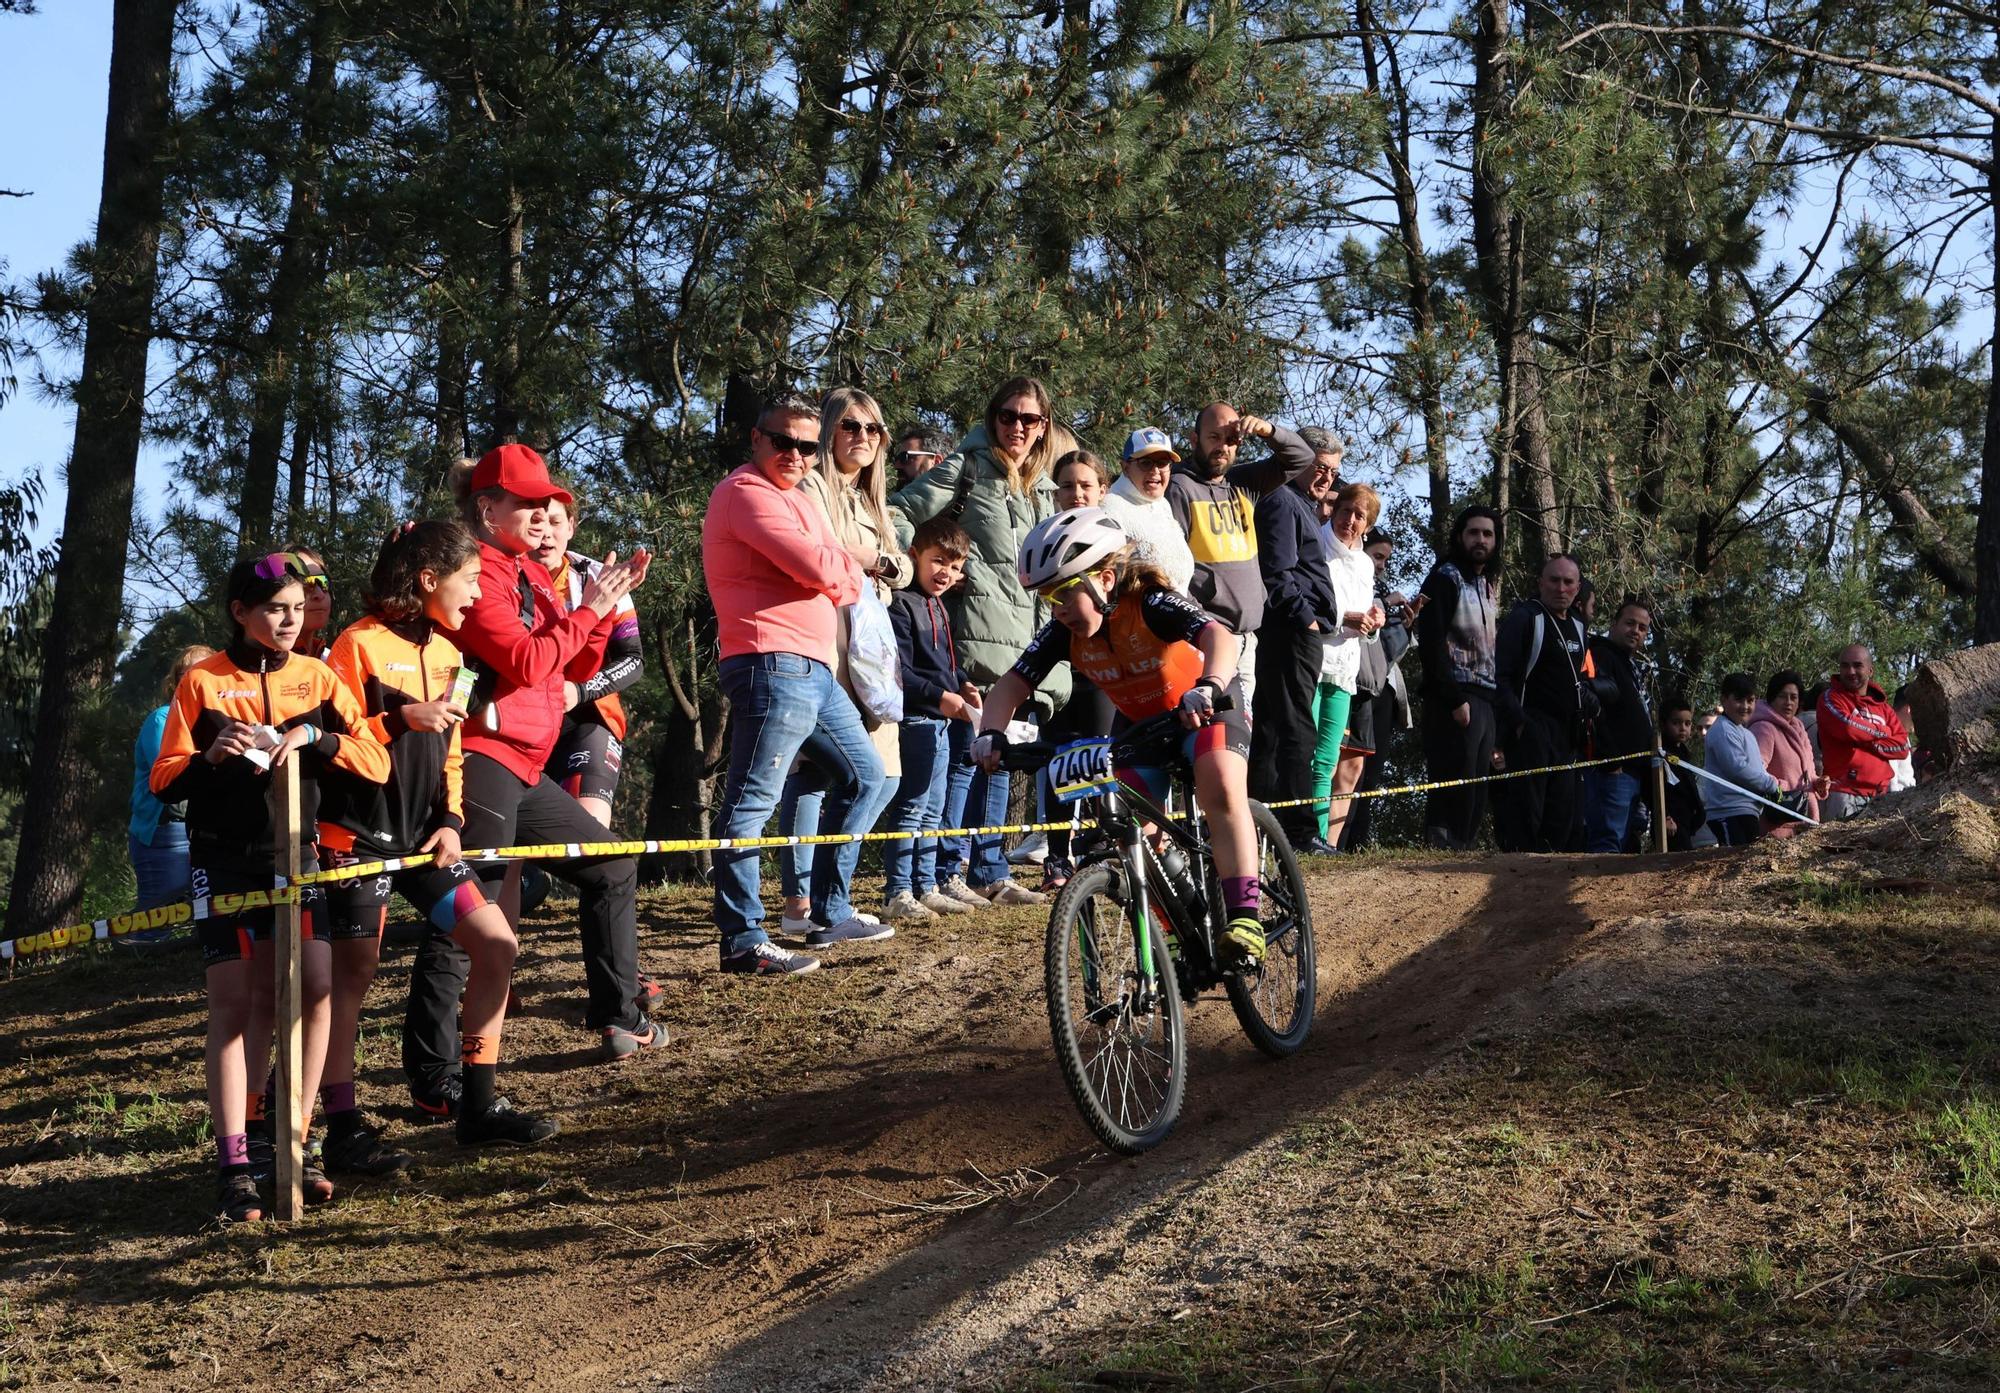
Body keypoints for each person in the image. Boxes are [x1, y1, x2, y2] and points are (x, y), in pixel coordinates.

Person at [407, 444, 659, 1108]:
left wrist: (604, 606)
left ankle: (619, 1014)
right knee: (468, 913)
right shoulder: (479, 571)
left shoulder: (529, 571)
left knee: (611, 865)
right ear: (488, 508)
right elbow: (521, 661)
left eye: (548, 500)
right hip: (483, 757)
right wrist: (591, 609)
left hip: (522, 761)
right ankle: (435, 1076)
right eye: (527, 500)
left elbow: (570, 666)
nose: (543, 510)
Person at [151, 554, 391, 1222]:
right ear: (239, 612)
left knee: (315, 985)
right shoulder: (204, 681)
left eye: (295, 608)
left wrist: (317, 736)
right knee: (235, 999)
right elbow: (163, 778)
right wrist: (209, 757)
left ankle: (297, 1138)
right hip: (224, 861)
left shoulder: (318, 675)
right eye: (273, 609)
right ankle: (235, 1162)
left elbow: (375, 757)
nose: (287, 621)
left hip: (298, 858)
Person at [319, 520, 556, 1161]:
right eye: (471, 580)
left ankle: (477, 1106)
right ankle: (341, 1128)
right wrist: (397, 718)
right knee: (354, 975)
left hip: (426, 841)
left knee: (498, 944)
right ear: (428, 581)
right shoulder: (356, 645)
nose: (479, 595)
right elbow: (328, 744)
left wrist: (452, 821)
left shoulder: (451, 655)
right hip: (356, 837)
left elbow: (452, 751)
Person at [975, 508, 1268, 960]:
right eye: (1048, 597)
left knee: (1221, 785)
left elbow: (1219, 637)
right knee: (1130, 831)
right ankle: (1178, 927)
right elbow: (1012, 684)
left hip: (1203, 707)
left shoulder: (1150, 602)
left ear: (1105, 579)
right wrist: (990, 733)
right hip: (1141, 725)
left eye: (1066, 591)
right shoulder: (1063, 630)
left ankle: (1246, 915)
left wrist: (1209, 685)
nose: (1058, 608)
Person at [705, 394, 874, 975]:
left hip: (812, 668)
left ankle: (828, 912)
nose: (797, 455)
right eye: (785, 442)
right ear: (756, 439)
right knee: (750, 802)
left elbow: (829, 568)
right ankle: (743, 939)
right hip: (770, 662)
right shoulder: (744, 494)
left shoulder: (796, 498)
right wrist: (848, 563)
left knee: (867, 777)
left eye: (808, 445)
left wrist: (837, 564)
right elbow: (825, 569)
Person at [890, 376, 1069, 907]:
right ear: (993, 418)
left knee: (1004, 760)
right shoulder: (965, 468)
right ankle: (948, 870)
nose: (1018, 427)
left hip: (1030, 645)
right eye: (1009, 416)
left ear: (1044, 427)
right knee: (968, 764)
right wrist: (921, 571)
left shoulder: (1043, 487)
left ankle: (990, 871)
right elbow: (899, 512)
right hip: (975, 642)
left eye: (1030, 419)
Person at [777, 386, 906, 942]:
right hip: (824, 648)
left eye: (873, 429)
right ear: (829, 431)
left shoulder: (873, 501)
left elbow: (901, 571)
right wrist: (878, 561)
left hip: (871, 657)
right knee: (813, 775)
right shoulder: (810, 487)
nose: (863, 438)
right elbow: (822, 556)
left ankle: (830, 898)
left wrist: (881, 564)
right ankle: (802, 902)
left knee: (882, 777)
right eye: (851, 426)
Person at [1167, 403, 1317, 706]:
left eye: (1231, 440)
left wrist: (1268, 431)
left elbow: (1301, 458)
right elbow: (1173, 569)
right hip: (1207, 641)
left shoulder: (1243, 483)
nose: (1222, 447)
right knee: (1210, 738)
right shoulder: (1179, 488)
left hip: (1249, 640)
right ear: (1194, 439)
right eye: (1214, 437)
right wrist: (1201, 623)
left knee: (1241, 740)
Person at [881, 516, 983, 922]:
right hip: (917, 720)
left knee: (933, 808)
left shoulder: (938, 605)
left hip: (942, 721)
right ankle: (898, 890)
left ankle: (926, 884)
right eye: (938, 561)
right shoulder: (902, 604)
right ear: (913, 556)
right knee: (911, 806)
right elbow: (900, 671)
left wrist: (965, 683)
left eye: (956, 566)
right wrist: (941, 696)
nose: (947, 573)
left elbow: (945, 664)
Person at [1249, 431, 1342, 853]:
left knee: (1273, 727)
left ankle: (1265, 826)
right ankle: (1301, 832)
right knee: (1295, 728)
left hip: (1293, 630)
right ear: (1300, 460)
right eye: (1320, 466)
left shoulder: (1302, 504)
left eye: (1333, 471)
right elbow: (1278, 572)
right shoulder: (1283, 500)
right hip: (1289, 630)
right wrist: (1306, 620)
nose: (1326, 477)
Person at [1030, 450, 1118, 888]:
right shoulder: (1041, 535)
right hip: (1058, 661)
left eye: (1086, 485)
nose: (1076, 493)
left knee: (1102, 752)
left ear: (1103, 490)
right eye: (1067, 486)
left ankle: (1103, 847)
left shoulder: (1116, 535)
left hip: (1107, 662)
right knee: (1059, 754)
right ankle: (1057, 859)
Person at [528, 493, 643, 829]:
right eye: (536, 521)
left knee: (589, 822)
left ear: (571, 527)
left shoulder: (600, 575)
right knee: (514, 847)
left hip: (589, 714)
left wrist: (579, 691)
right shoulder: (499, 575)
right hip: (522, 717)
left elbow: (633, 659)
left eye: (555, 522)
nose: (546, 533)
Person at [1415, 507, 1502, 850]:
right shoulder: (1444, 578)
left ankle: (1463, 851)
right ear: (1460, 536)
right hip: (1453, 697)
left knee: (1477, 785)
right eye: (1474, 532)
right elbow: (1431, 642)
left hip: (1485, 697)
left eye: (1488, 534)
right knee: (1452, 778)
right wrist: (1453, 699)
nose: (1480, 540)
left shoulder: (1486, 586)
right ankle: (1440, 851)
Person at [1492, 554, 1590, 853]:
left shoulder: (1579, 626)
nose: (1561, 588)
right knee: (1526, 811)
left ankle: (1550, 879)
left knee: (1562, 812)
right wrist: (1520, 723)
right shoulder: (1525, 617)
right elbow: (1502, 677)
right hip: (1532, 729)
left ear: (1577, 588)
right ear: (1541, 583)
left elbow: (1580, 679)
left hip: (1568, 734)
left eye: (1568, 582)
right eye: (1554, 580)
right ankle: (1517, 875)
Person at [1313, 480, 1387, 853]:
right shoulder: (1315, 544)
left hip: (1345, 672)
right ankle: (1298, 834)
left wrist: (1373, 622)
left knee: (1328, 759)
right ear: (1334, 510)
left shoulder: (1363, 563)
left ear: (1368, 525)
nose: (1351, 520)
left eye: (1360, 516)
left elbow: (1365, 629)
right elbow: (1308, 603)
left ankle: (1320, 839)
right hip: (1311, 663)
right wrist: (1346, 620)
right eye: (1346, 511)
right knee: (1305, 754)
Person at [1340, 529, 1416, 853]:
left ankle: (1358, 842)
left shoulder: (1382, 592)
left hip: (1382, 688)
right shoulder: (1352, 583)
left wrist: (1407, 625)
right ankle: (1337, 842)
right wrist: (1384, 606)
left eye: (1386, 559)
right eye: (1378, 556)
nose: (1383, 565)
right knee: (1345, 769)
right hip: (1351, 684)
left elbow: (1391, 650)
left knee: (1370, 773)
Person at [129, 645, 216, 916]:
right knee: (159, 921)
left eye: (208, 673)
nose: (197, 681)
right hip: (168, 832)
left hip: (207, 829)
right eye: (189, 674)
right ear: (177, 682)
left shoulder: (216, 721)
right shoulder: (162, 719)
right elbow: (172, 776)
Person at [1582, 597, 1658, 852]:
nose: (1635, 631)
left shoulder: (1631, 666)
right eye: (1629, 623)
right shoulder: (1601, 653)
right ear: (1614, 624)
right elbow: (1593, 707)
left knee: (1629, 846)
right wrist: (1610, 760)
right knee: (1608, 843)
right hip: (1613, 771)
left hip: (1637, 771)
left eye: (1642, 627)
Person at [1817, 646, 1910, 819]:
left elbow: (1903, 747)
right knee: (1840, 846)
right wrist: (1884, 731)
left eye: (1857, 665)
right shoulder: (1830, 698)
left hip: (1882, 796)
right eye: (1845, 666)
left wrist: (1862, 740)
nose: (1850, 671)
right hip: (1843, 793)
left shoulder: (1884, 708)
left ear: (1870, 670)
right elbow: (1847, 727)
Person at [1101, 428, 1195, 592]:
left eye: (1162, 463)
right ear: (1125, 467)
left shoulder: (1162, 505)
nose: (1155, 471)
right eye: (1145, 463)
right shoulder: (1109, 508)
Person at [1706, 672, 1785, 845]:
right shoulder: (1723, 730)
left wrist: (1772, 784)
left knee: (1746, 863)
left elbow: (1756, 769)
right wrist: (1770, 785)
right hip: (1727, 810)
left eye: (1750, 701)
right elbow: (1737, 768)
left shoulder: (1747, 733)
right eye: (1739, 700)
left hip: (1748, 809)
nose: (1745, 706)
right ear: (1724, 699)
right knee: (1731, 862)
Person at [1749, 670, 1828, 838]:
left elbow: (1809, 773)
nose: (1789, 702)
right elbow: (1755, 772)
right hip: (1778, 823)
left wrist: (1819, 782)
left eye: (1794, 697)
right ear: (1771, 698)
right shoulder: (1764, 729)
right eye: (1782, 696)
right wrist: (1782, 788)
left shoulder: (1799, 728)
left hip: (1803, 820)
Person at [1658, 697, 1707, 851]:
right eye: (1676, 723)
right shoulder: (1660, 753)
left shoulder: (1684, 754)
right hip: (1672, 823)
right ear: (1664, 724)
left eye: (1687, 723)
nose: (1683, 728)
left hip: (1687, 821)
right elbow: (1654, 788)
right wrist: (1665, 816)